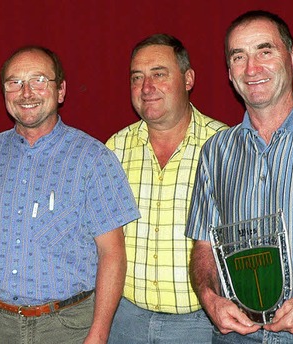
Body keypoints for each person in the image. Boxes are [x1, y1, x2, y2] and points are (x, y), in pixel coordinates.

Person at [0, 45, 140, 344]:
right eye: (15, 82)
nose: (26, 92)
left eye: (39, 80)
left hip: (67, 329)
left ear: (61, 90)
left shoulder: (93, 159)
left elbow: (112, 253)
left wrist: (99, 333)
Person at [186, 10, 293, 343]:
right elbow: (204, 246)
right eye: (238, 57)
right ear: (229, 72)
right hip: (236, 336)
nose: (251, 68)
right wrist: (210, 299)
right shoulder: (214, 152)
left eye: (265, 51)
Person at [105, 34, 227, 343]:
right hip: (125, 319)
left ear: (188, 79)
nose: (146, 88)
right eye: (137, 77)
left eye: (159, 74)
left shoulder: (225, 146)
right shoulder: (114, 150)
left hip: (201, 323)